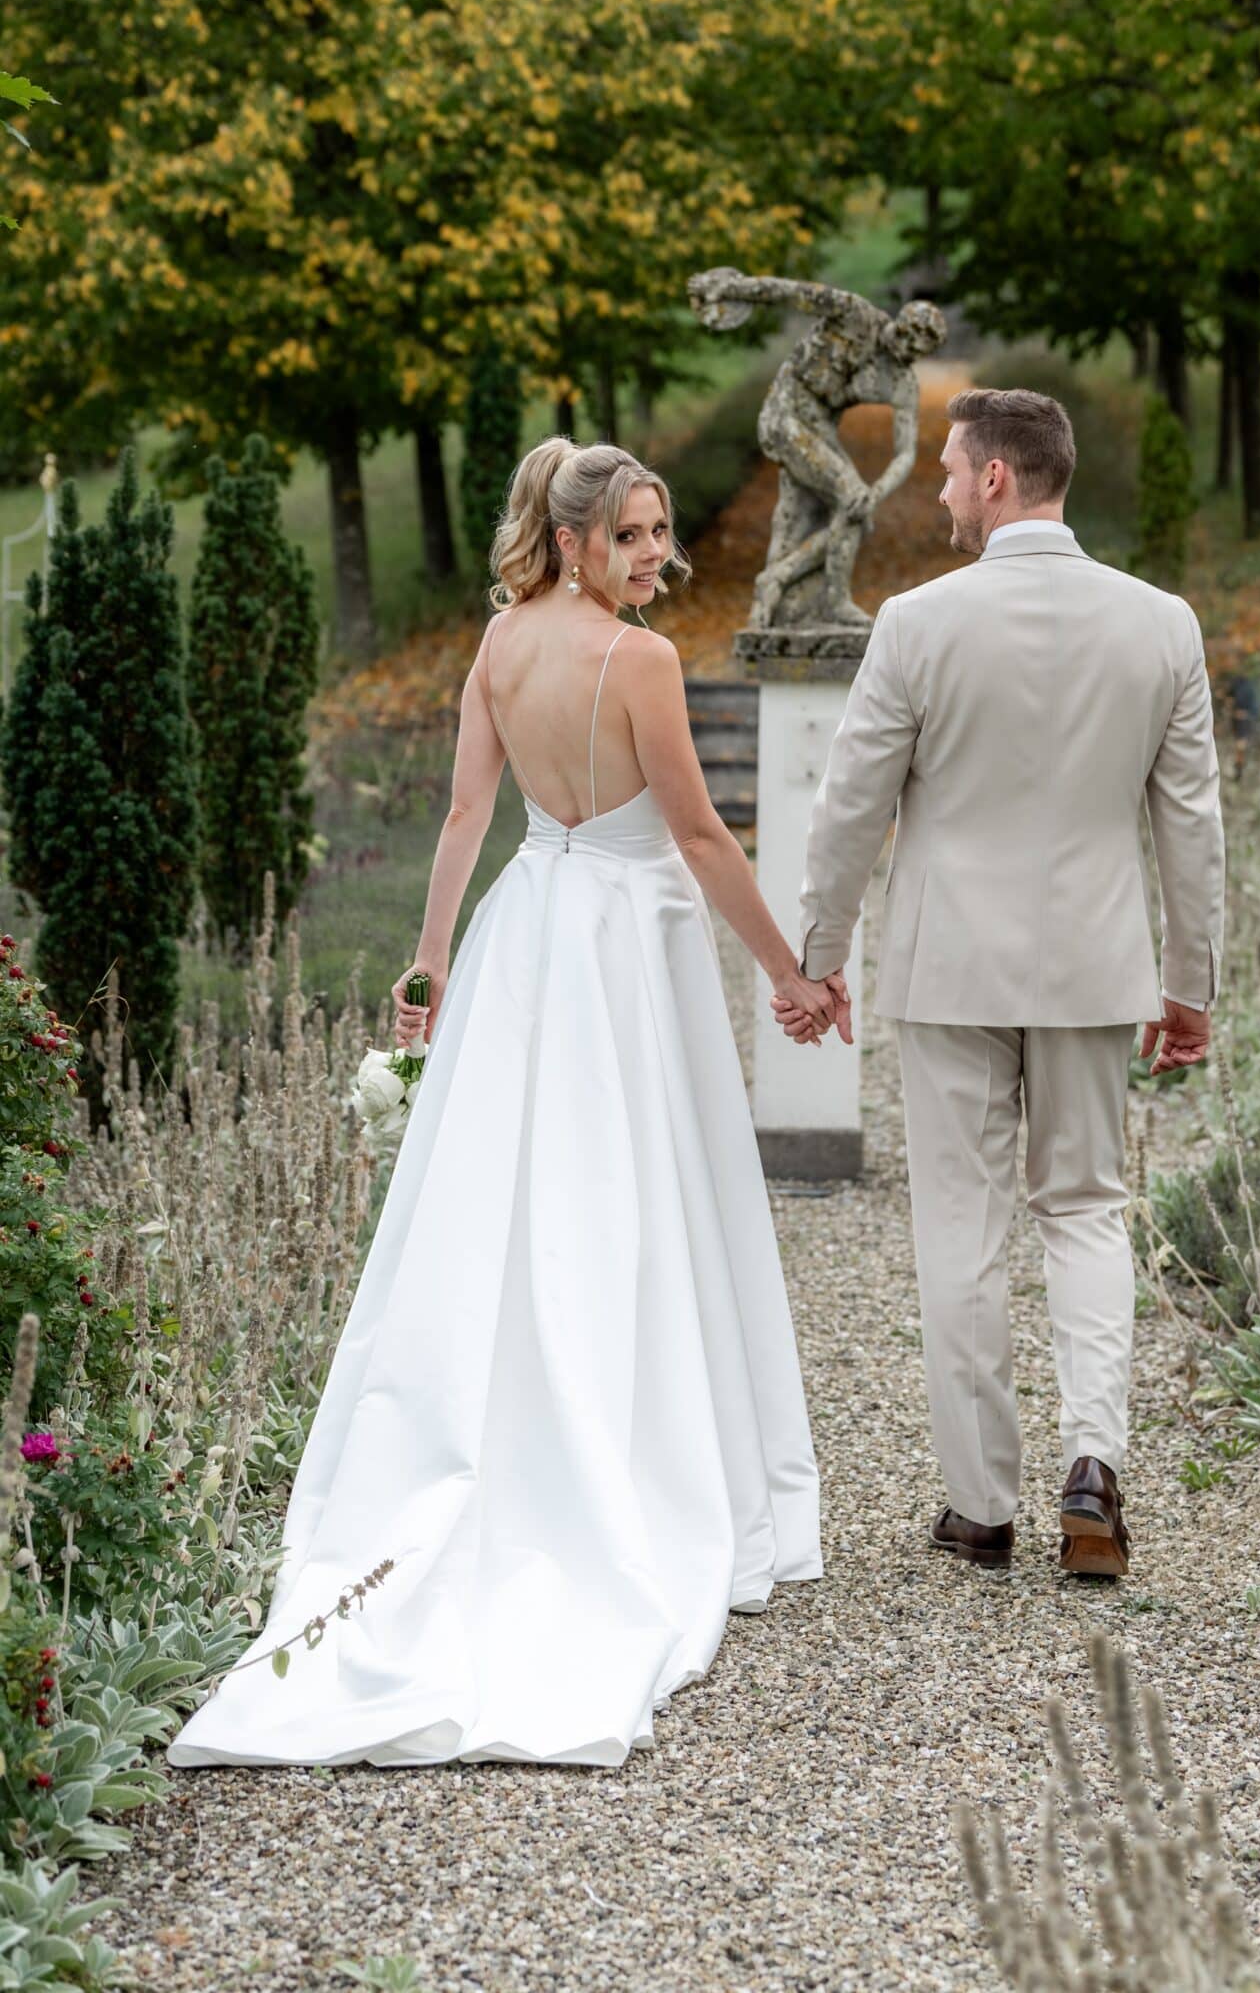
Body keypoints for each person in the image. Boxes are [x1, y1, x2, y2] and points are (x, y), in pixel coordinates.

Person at [169, 440, 839, 1770]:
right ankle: (638, 1458)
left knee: (524, 1187)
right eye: (631, 536)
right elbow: (699, 836)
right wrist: (789, 973)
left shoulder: (499, 645)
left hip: (530, 928)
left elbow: (471, 818)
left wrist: (432, 963)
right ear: (574, 540)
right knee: (638, 1186)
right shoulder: (638, 661)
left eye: (660, 532)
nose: (654, 556)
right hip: (628, 937)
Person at [775, 387, 1224, 1580]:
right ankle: (1094, 1465)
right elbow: (1192, 821)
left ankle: (981, 1508)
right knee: (1086, 1208)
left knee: (961, 1226)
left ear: (995, 478)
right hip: (1094, 968)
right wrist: (1190, 983)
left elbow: (851, 805)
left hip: (951, 971)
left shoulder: (917, 624)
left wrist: (819, 955)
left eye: (947, 468)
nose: (937, 490)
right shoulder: (1163, 625)